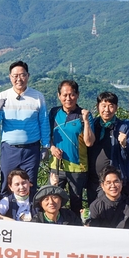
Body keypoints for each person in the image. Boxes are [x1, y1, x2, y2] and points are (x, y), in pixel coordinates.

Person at [0, 61, 50, 193]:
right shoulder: (2, 96)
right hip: (9, 149)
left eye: (22, 75)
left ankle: (29, 212)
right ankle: (7, 212)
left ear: (28, 75)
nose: (18, 79)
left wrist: (46, 146)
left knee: (30, 184)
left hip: (31, 149)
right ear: (10, 77)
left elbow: (44, 122)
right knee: (7, 183)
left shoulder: (38, 97)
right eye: (15, 75)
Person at [48, 80, 93, 218]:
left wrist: (85, 121)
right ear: (59, 96)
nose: (68, 98)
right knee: (53, 199)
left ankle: (75, 229)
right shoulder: (54, 113)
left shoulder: (84, 115)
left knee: (76, 201)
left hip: (77, 168)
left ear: (77, 95)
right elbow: (47, 135)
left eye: (72, 94)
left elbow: (89, 142)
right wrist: (52, 147)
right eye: (65, 95)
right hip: (57, 165)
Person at [87, 91, 129, 203]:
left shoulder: (122, 127)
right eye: (103, 106)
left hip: (110, 181)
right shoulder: (93, 124)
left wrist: (124, 145)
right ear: (97, 107)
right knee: (93, 210)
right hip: (92, 178)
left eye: (111, 106)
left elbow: (128, 156)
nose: (106, 110)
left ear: (116, 108)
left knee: (108, 210)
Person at [83, 166, 129, 230]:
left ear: (121, 183)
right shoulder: (96, 206)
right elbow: (93, 231)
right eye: (108, 183)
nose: (113, 185)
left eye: (116, 181)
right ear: (102, 186)